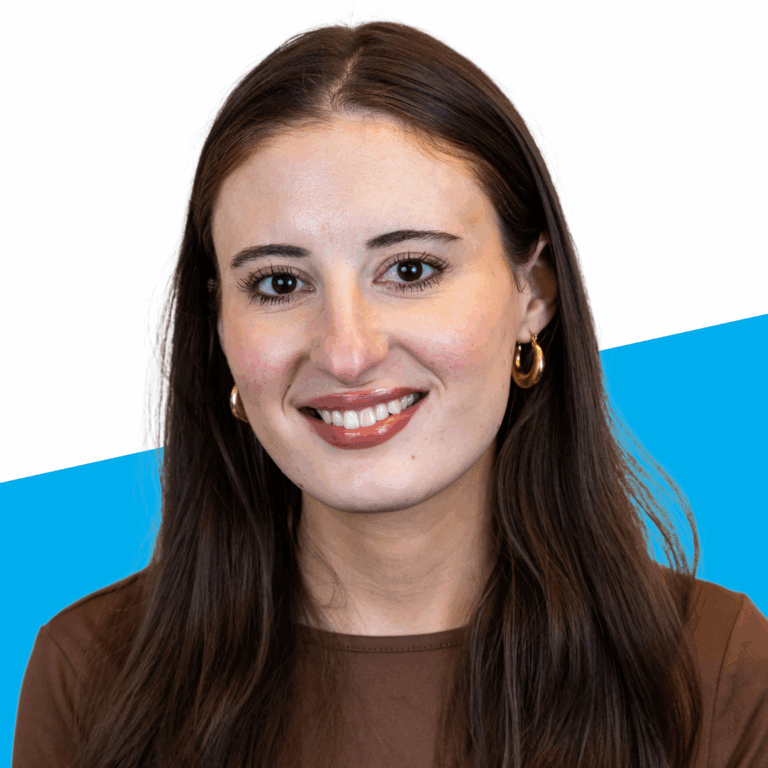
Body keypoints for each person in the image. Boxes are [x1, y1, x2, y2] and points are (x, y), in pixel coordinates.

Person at [12, 20, 768, 768]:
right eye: (279, 283)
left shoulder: (713, 668)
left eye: (410, 271)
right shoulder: (91, 674)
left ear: (533, 293)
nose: (347, 352)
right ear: (219, 325)